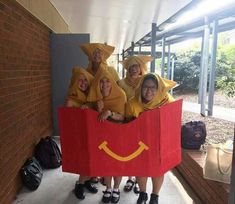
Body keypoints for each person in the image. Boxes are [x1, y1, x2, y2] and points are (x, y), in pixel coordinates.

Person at [125, 73, 177, 204]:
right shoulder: (132, 103)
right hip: (139, 143)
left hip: (159, 142)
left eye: (153, 87)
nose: (149, 91)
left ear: (158, 88)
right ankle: (142, 194)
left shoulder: (168, 102)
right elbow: (127, 125)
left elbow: (173, 124)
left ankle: (155, 196)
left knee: (158, 170)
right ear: (140, 87)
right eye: (145, 87)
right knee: (140, 168)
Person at [87, 67, 127, 203]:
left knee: (117, 162)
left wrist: (109, 112)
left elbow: (123, 117)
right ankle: (108, 188)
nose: (105, 84)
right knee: (105, 162)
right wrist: (90, 108)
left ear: (112, 82)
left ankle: (116, 188)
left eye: (108, 81)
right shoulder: (95, 95)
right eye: (102, 81)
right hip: (101, 135)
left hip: (117, 134)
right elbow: (90, 113)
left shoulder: (121, 94)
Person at [118, 55, 152, 193]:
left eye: (136, 66)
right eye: (131, 66)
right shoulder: (120, 83)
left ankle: (140, 180)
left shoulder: (146, 82)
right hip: (127, 121)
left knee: (143, 153)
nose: (133, 69)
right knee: (130, 151)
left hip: (144, 123)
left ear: (141, 68)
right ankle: (131, 178)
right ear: (127, 69)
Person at [66, 67, 98, 200]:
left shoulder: (91, 96)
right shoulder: (71, 98)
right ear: (75, 82)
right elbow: (69, 119)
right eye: (80, 80)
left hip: (93, 133)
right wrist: (80, 110)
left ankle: (87, 181)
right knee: (85, 160)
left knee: (93, 158)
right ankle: (80, 184)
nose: (84, 82)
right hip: (80, 135)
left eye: (86, 80)